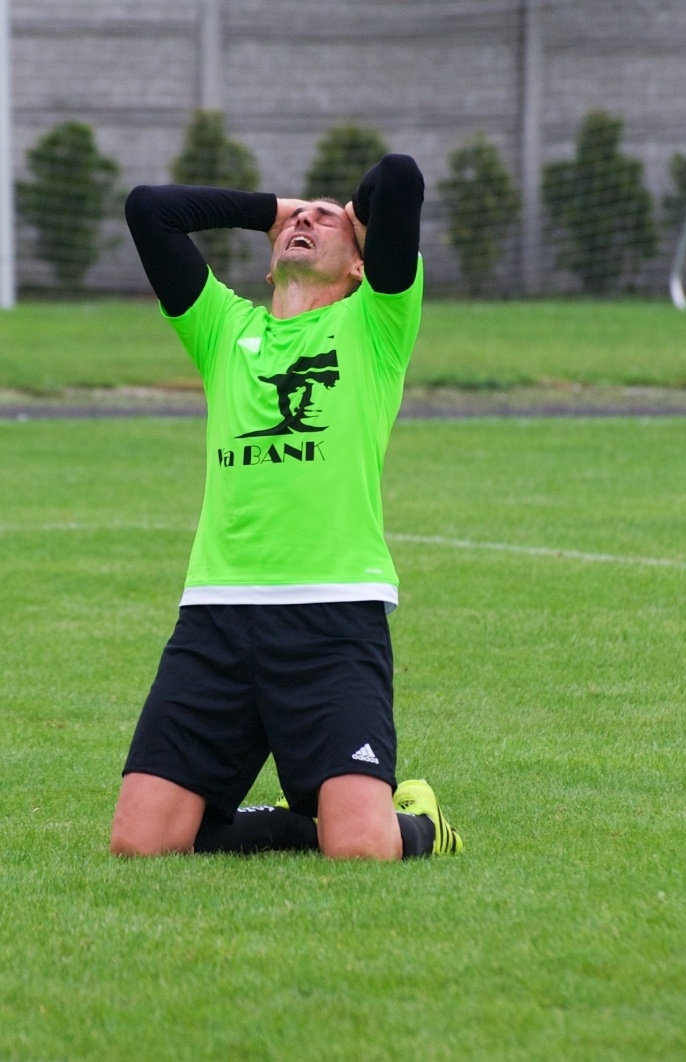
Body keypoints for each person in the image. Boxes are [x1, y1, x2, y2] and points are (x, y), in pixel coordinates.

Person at [110, 154, 463, 861]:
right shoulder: (221, 330)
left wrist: (355, 216)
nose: (306, 218)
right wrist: (272, 208)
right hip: (216, 622)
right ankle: (309, 823)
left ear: (360, 263)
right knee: (141, 844)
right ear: (269, 266)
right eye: (297, 219)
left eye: (325, 217)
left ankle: (418, 819)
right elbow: (151, 208)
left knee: (364, 850)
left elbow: (397, 178)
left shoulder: (377, 323)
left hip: (333, 622)